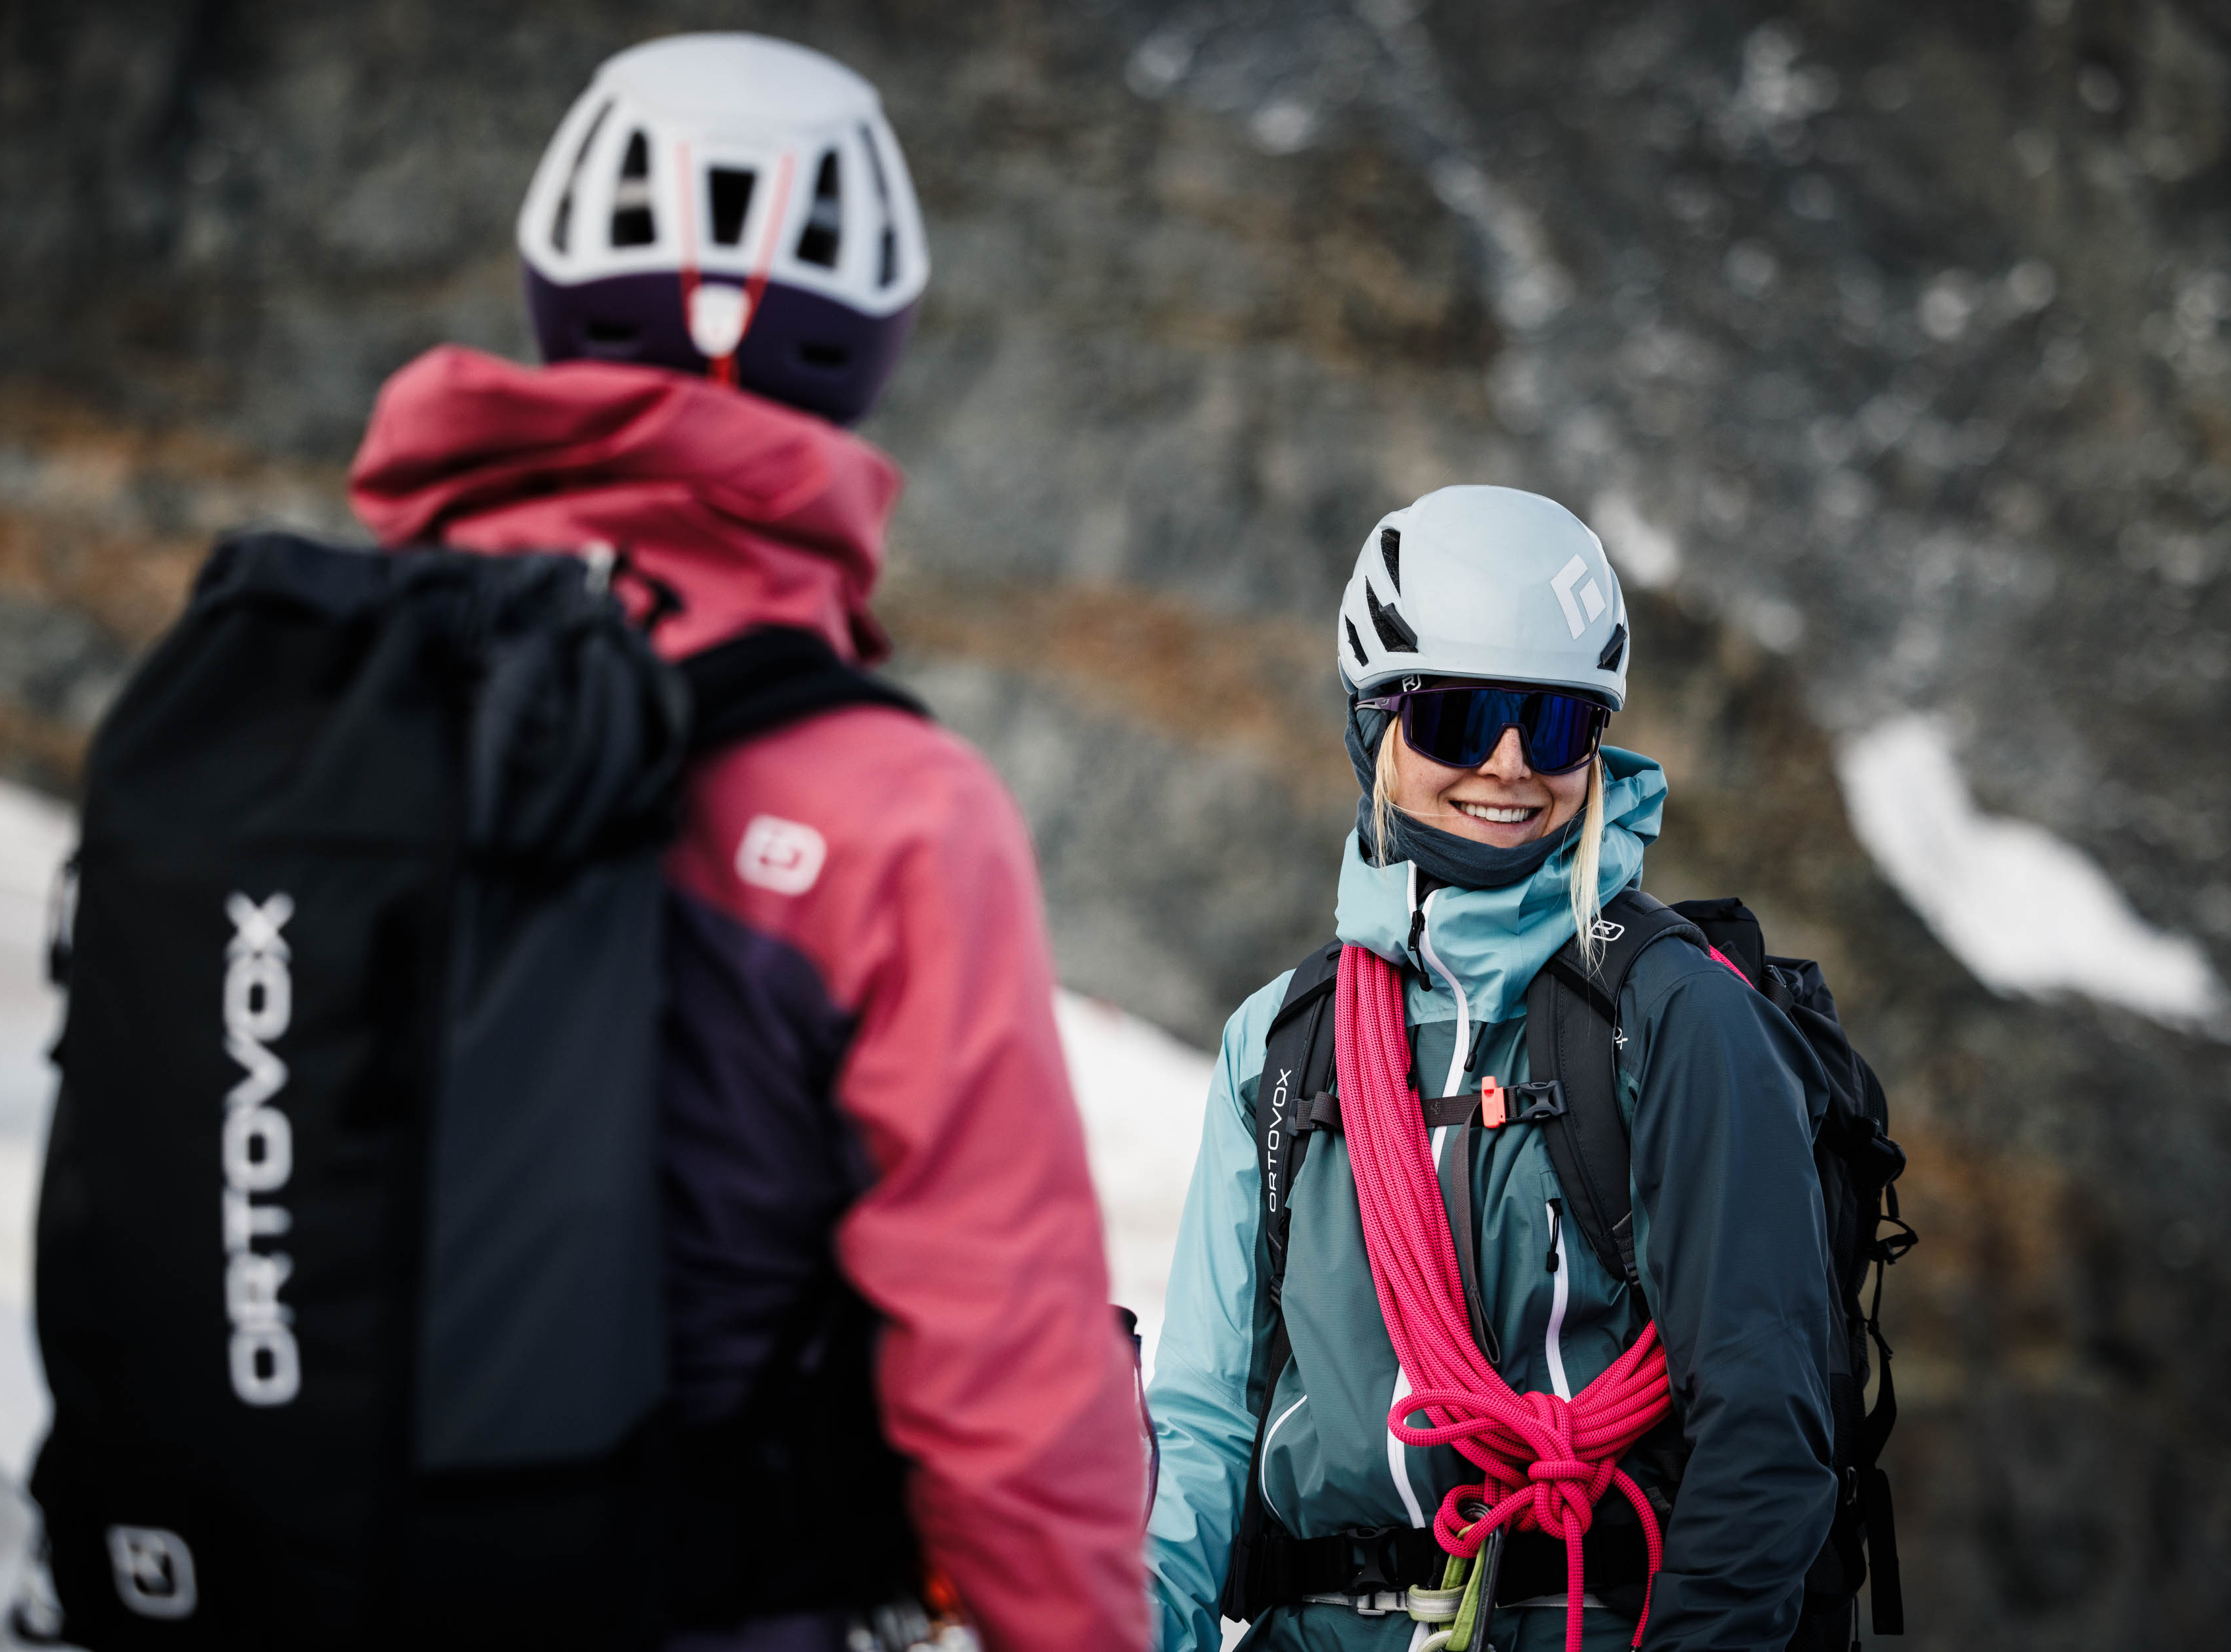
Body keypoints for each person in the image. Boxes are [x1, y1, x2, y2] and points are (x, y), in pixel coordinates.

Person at [345, 33, 1148, 1652]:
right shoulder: (890, 805)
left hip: (283, 1571)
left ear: (555, 292)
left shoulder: (312, 681)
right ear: (867, 345)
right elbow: (999, 1345)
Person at [1145, 487, 1839, 1651]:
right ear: (1375, 727)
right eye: (1458, 719)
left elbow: (1764, 1433)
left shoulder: (1678, 1017)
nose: (1511, 764)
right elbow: (1205, 1419)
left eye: (1556, 723)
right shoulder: (1279, 1040)